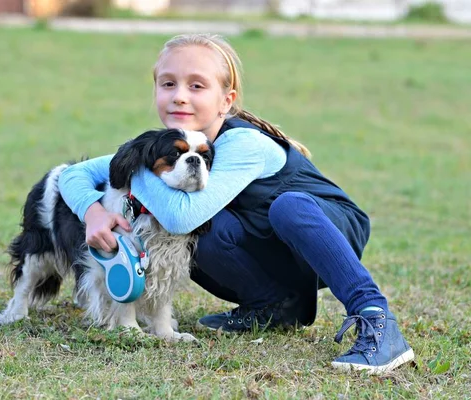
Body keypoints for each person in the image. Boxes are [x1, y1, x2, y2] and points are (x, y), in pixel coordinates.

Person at [58, 33, 414, 374]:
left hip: (327, 233)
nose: (180, 96)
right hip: (270, 244)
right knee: (206, 229)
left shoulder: (244, 144)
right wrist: (94, 213)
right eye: (168, 84)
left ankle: (377, 320)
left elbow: (179, 217)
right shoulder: (163, 147)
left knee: (282, 207)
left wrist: (134, 165)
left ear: (227, 100)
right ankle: (275, 305)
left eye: (196, 86)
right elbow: (72, 176)